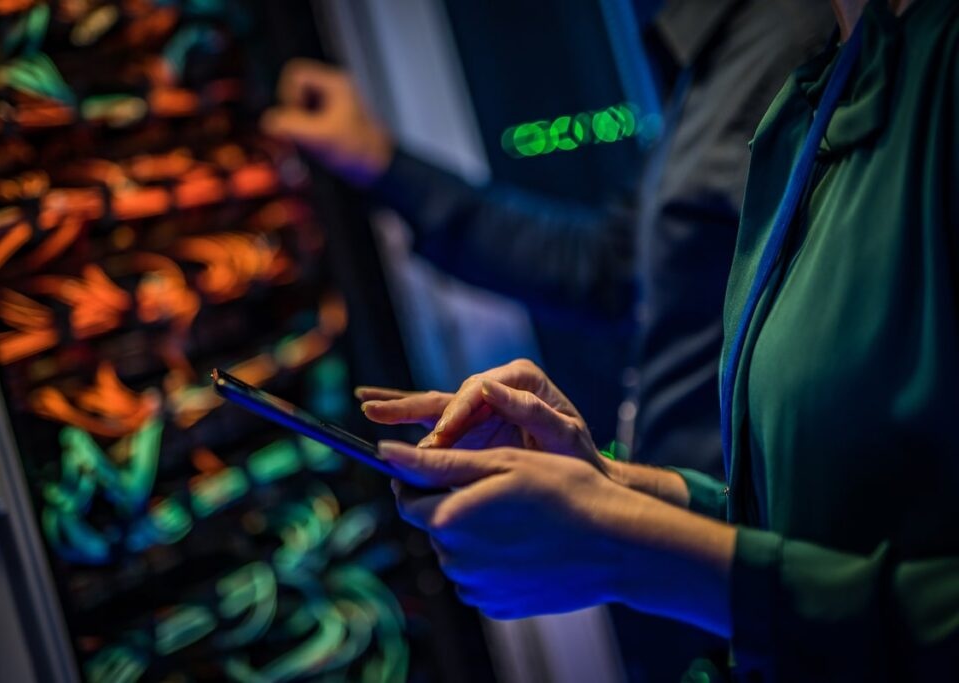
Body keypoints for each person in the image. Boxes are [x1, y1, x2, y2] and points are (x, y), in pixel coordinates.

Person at [360, 0, 959, 679]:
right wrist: (615, 489)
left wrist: (631, 551)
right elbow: (821, 514)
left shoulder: (885, 69)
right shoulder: (821, 83)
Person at [263, 3, 830, 678]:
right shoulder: (729, 51)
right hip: (723, 604)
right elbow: (615, 268)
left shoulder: (816, 36)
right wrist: (613, 494)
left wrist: (623, 543)